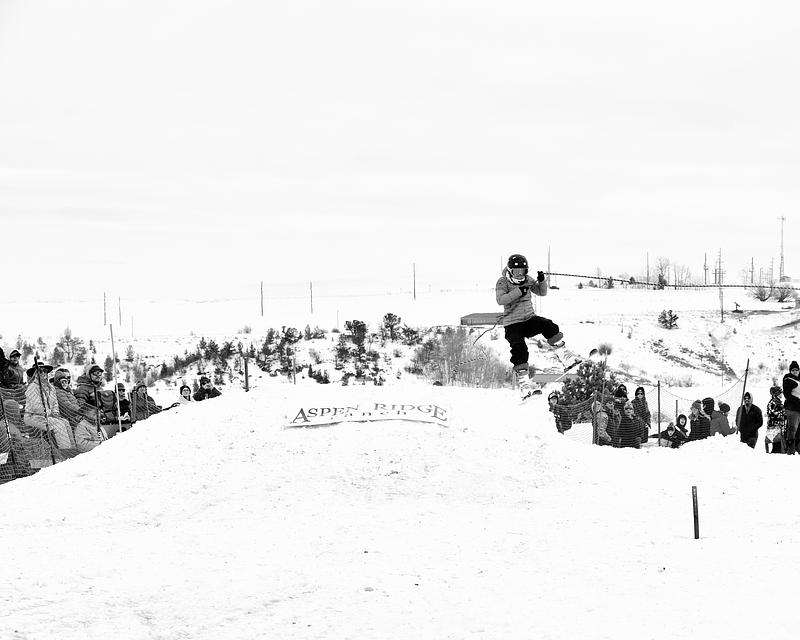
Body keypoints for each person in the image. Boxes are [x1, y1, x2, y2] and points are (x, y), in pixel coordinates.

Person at [495, 254, 563, 400]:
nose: (520, 274)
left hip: (529, 319)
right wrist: (519, 291)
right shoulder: (502, 282)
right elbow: (501, 300)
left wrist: (542, 280)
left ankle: (565, 356)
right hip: (512, 324)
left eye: (523, 271)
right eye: (516, 271)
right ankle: (524, 384)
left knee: (547, 325)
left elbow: (542, 292)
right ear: (510, 270)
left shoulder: (528, 280)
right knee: (519, 348)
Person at [23, 362, 74, 449]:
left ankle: (72, 449)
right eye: (40, 371)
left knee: (65, 422)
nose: (43, 373)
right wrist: (50, 413)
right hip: (33, 417)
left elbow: (55, 403)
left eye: (45, 371)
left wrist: (55, 412)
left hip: (48, 415)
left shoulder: (51, 387)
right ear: (35, 374)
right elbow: (37, 407)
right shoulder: (32, 387)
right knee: (59, 425)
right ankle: (65, 451)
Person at [52, 368, 103, 453]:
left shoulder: (68, 391)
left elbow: (76, 403)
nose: (65, 383)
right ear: (58, 382)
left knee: (93, 420)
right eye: (62, 381)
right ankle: (88, 445)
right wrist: (81, 411)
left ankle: (96, 442)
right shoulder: (59, 392)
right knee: (87, 424)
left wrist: (82, 408)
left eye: (66, 381)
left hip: (76, 415)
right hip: (71, 416)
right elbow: (68, 406)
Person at [782, 361, 800, 453]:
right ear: (790, 371)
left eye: (796, 370)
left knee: (799, 430)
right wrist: (798, 401)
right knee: (792, 428)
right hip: (792, 408)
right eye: (793, 370)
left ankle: (798, 448)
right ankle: (790, 449)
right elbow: (787, 394)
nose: (795, 371)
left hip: (799, 409)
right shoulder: (788, 379)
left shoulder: (798, 380)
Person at [765, 385, 786, 454]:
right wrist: (783, 412)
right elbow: (774, 413)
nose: (781, 394)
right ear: (776, 394)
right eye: (780, 393)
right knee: (776, 442)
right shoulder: (773, 403)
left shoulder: (776, 402)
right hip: (774, 425)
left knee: (777, 442)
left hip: (776, 425)